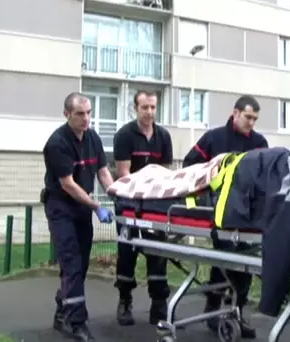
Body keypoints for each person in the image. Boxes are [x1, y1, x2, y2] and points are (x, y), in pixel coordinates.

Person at [182, 95, 268, 339]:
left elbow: (266, 175)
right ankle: (213, 306)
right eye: (248, 117)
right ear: (236, 113)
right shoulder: (214, 138)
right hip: (219, 211)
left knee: (247, 262)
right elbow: (190, 165)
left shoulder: (260, 142)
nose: (251, 122)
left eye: (255, 119)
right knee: (225, 258)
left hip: (248, 213)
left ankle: (238, 312)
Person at [42, 92, 115, 341]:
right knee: (72, 262)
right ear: (67, 114)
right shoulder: (57, 143)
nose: (86, 119)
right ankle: (76, 322)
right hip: (61, 208)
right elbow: (68, 185)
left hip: (82, 209)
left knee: (81, 264)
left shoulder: (93, 138)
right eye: (80, 114)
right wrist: (97, 206)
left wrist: (118, 195)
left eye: (89, 113)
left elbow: (103, 172)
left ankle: (62, 308)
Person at [112, 90, 173, 326]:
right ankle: (125, 300)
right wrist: (141, 195)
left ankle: (159, 303)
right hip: (128, 201)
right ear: (135, 108)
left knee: (157, 252)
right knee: (127, 251)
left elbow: (164, 173)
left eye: (153, 107)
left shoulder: (163, 136)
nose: (149, 112)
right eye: (144, 107)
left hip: (154, 204)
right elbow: (124, 174)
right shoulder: (125, 135)